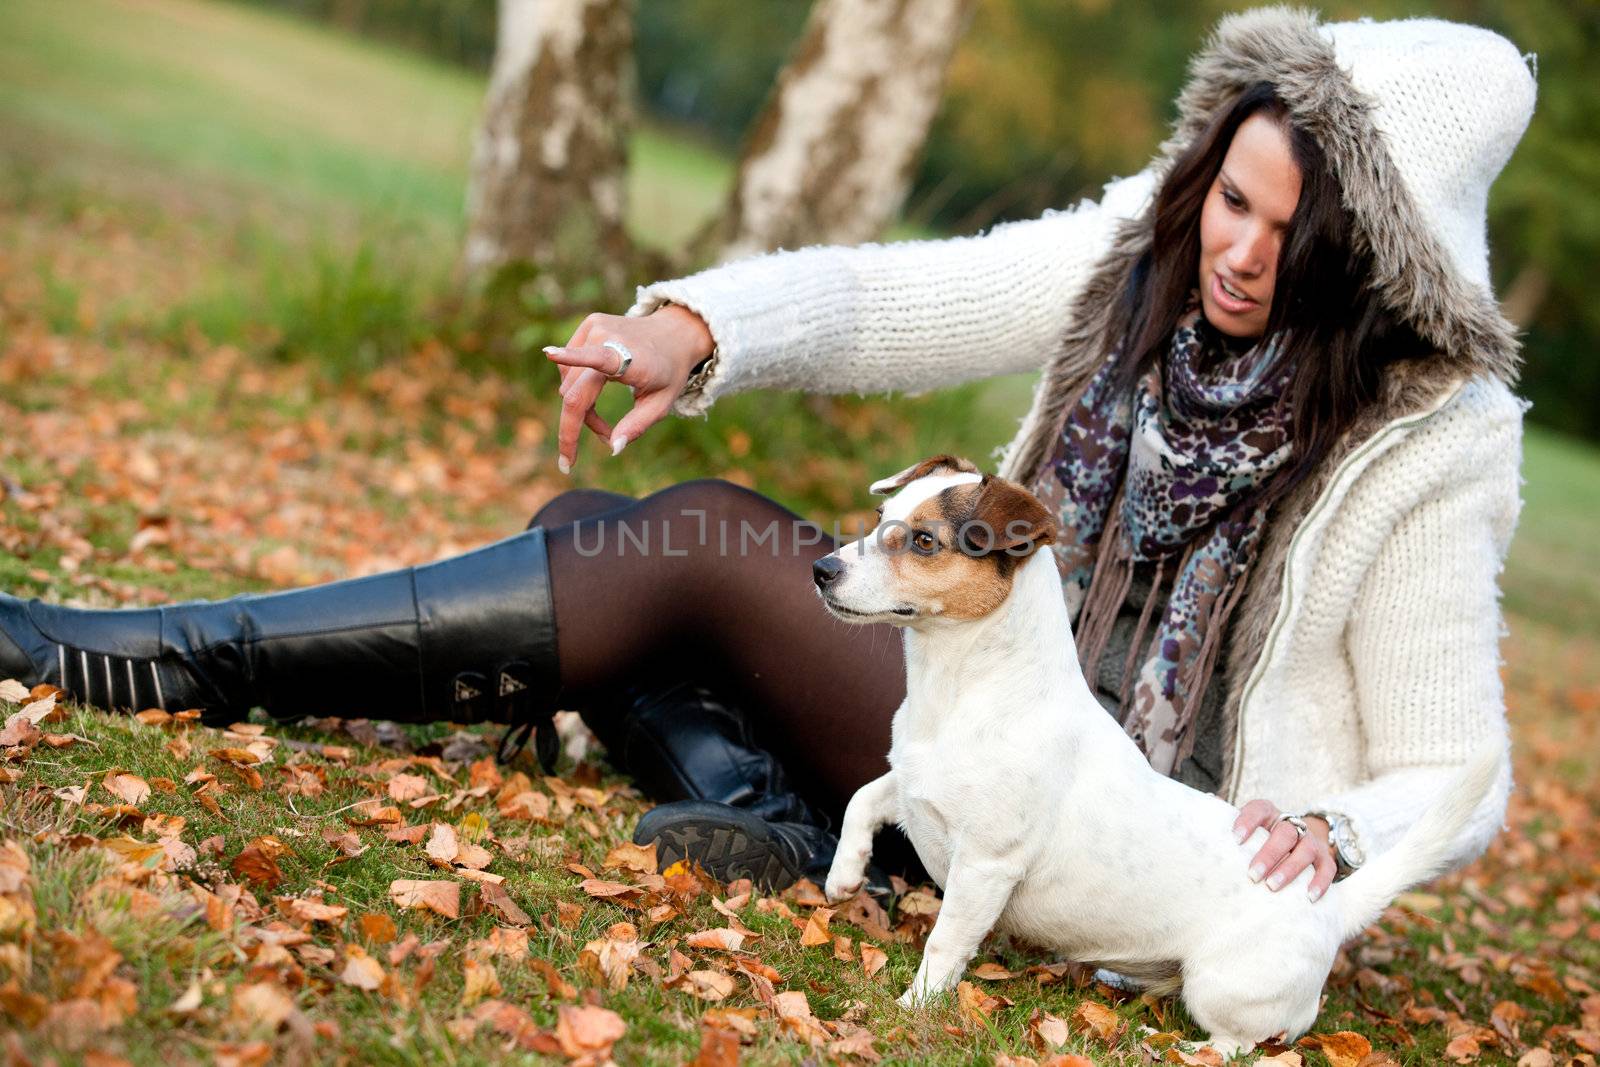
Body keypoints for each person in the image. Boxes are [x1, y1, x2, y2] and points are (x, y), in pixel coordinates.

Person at [0, 10, 1535, 903]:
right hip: (996, 702)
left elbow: (1454, 767)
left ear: (1381, 258)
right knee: (593, 527)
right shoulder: (1140, 267)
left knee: (673, 546)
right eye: (1236, 200)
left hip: (1128, 820)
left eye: (1294, 231)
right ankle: (791, 821)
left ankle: (176, 657)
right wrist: (694, 325)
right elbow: (902, 290)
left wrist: (1334, 834)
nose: (1242, 251)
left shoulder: (1429, 440)